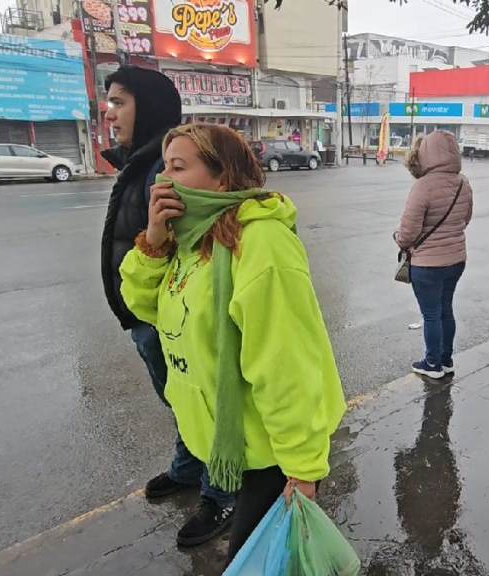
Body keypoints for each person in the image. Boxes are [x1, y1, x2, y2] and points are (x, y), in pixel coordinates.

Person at [119, 123, 346, 560]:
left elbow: (286, 364)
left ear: (222, 177)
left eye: (178, 167)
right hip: (229, 446)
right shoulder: (189, 236)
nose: (162, 180)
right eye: (163, 168)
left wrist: (302, 468)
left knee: (259, 562)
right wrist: (152, 241)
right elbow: (145, 306)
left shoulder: (262, 243)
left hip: (269, 454)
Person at [99, 65, 235, 532]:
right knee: (180, 399)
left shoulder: (163, 164)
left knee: (201, 400)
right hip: (150, 308)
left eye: (119, 102)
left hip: (172, 312)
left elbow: (191, 241)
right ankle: (189, 468)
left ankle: (222, 493)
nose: (109, 112)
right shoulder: (144, 159)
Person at [396, 131, 474, 379]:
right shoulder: (463, 182)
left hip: (428, 264)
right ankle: (446, 358)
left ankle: (432, 364)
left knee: (430, 315)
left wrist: (397, 238)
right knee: (445, 310)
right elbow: (465, 219)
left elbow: (407, 234)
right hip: (456, 259)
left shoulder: (423, 185)